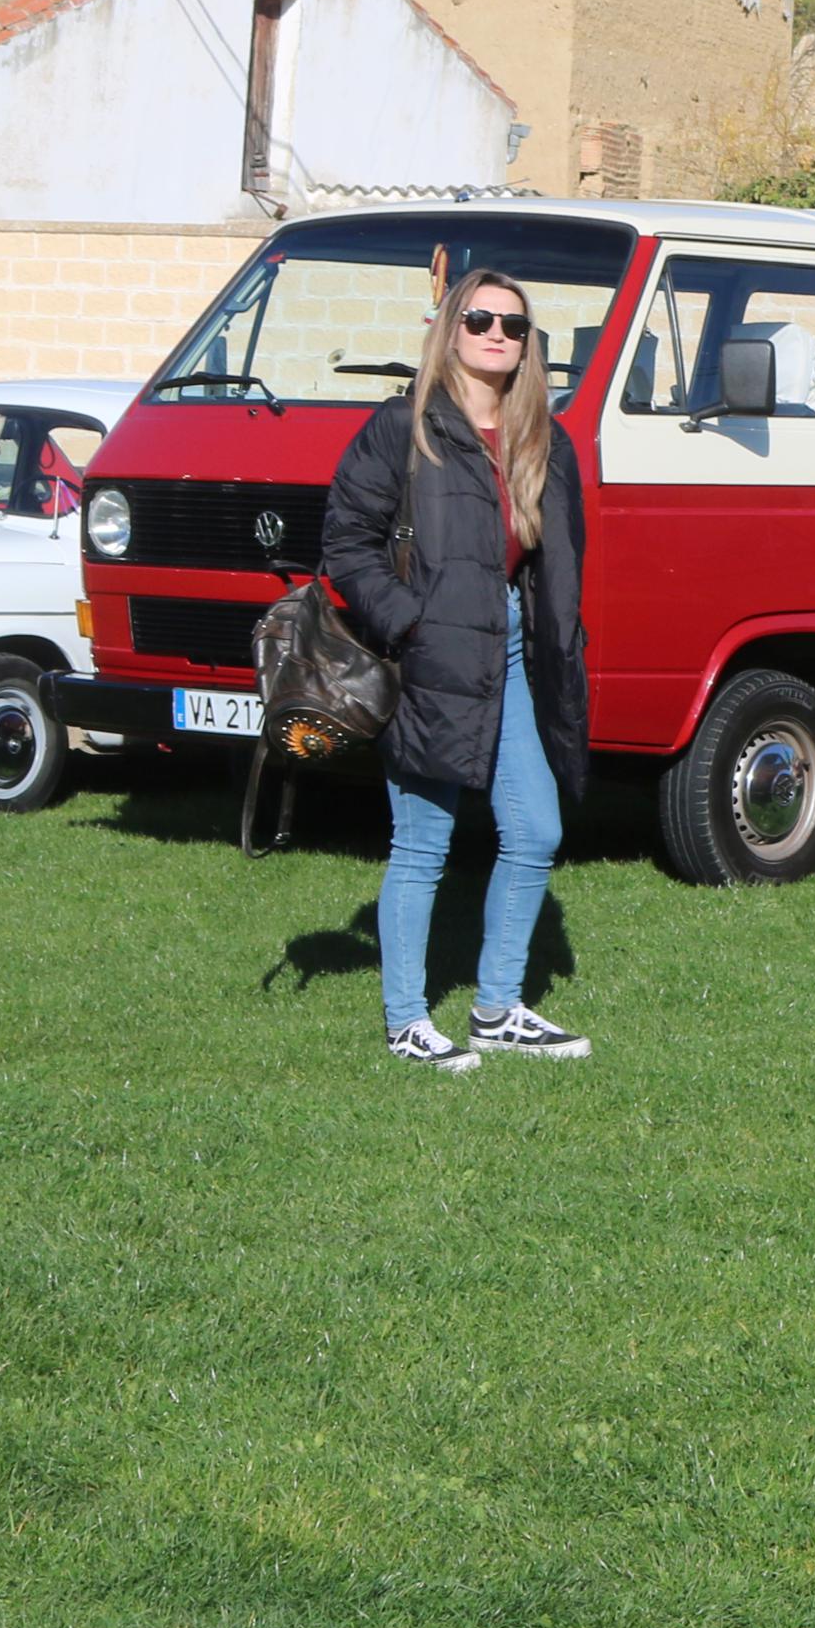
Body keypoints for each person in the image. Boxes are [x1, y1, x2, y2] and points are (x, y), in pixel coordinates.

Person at [323, 268, 596, 1074]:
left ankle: (496, 1007)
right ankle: (407, 1019)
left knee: (536, 828)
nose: (496, 335)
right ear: (450, 328)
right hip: (427, 651)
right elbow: (346, 539)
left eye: (513, 325)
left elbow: (559, 560)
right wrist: (404, 621)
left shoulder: (542, 434)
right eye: (479, 319)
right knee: (423, 841)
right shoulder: (404, 425)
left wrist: (556, 639)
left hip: (508, 648)